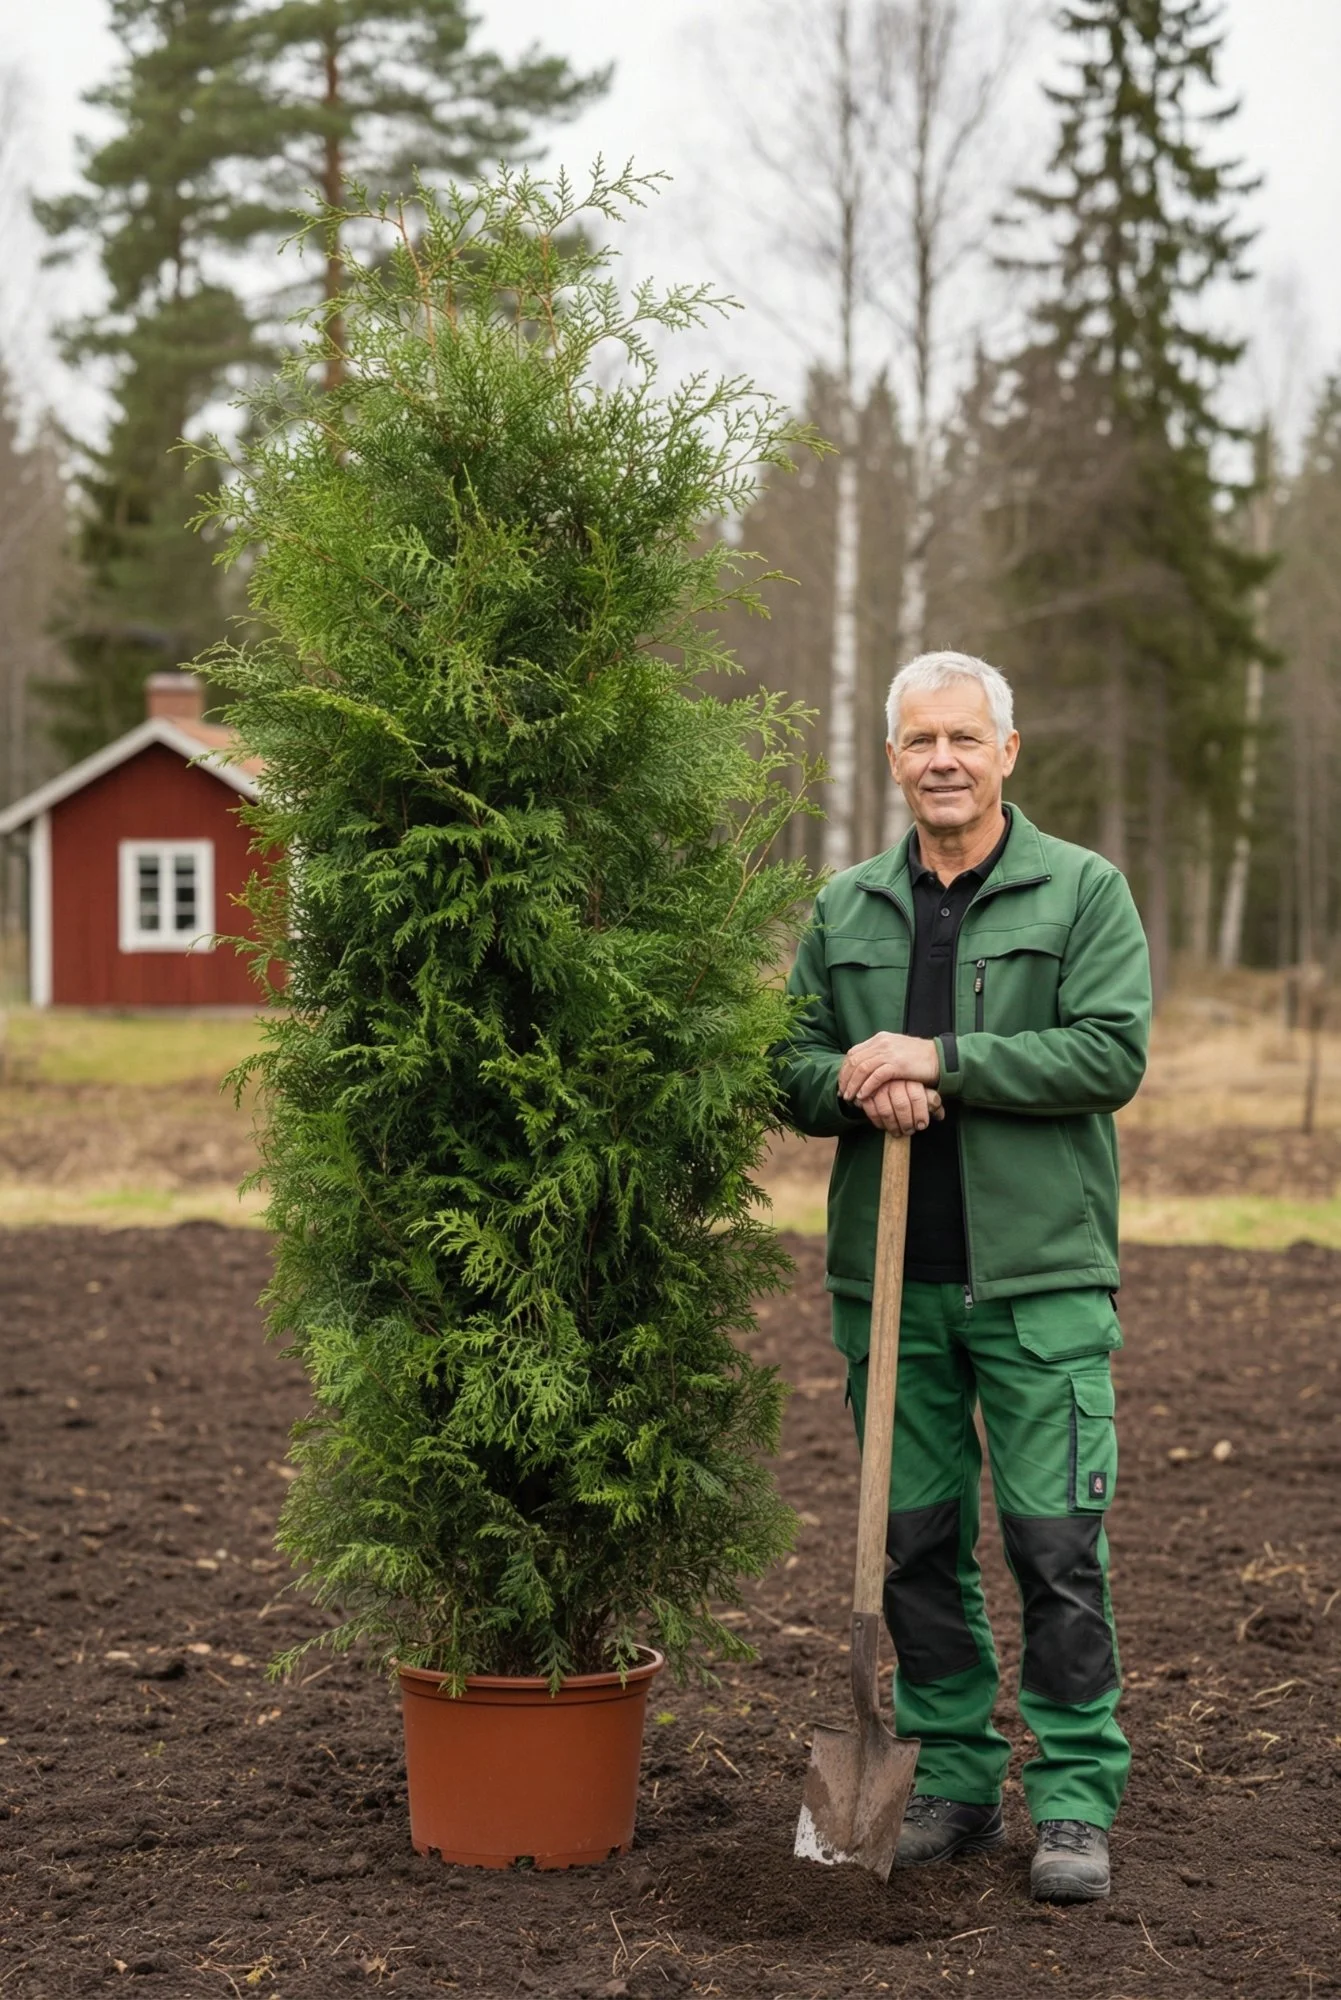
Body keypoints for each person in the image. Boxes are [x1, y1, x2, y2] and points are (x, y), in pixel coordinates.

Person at [779, 650, 1150, 1903]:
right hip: (891, 1286)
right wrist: (849, 1076)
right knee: (915, 1543)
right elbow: (787, 1058)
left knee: (1056, 1546)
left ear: (1008, 750)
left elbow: (1108, 1050)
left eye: (964, 737)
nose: (942, 757)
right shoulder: (847, 908)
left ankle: (1075, 1799)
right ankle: (949, 1774)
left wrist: (938, 1055)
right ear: (892, 759)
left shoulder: (1081, 890)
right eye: (919, 739)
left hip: (1039, 1282)